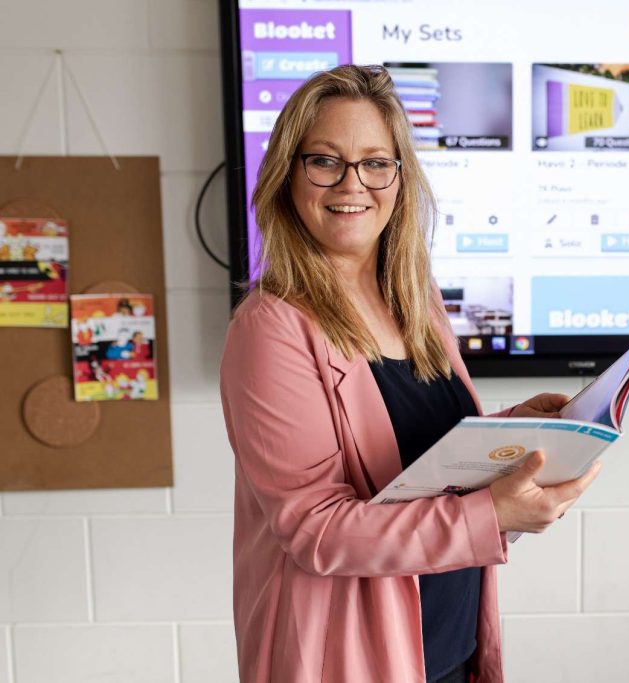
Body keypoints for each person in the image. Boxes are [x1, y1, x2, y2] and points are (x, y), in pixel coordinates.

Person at [220, 65, 601, 683]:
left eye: (376, 162)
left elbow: (425, 461)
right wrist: (494, 516)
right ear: (288, 176)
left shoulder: (414, 298)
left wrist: (519, 431)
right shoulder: (272, 328)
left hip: (446, 648)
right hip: (350, 659)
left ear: (400, 176)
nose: (354, 184)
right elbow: (319, 531)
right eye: (325, 161)